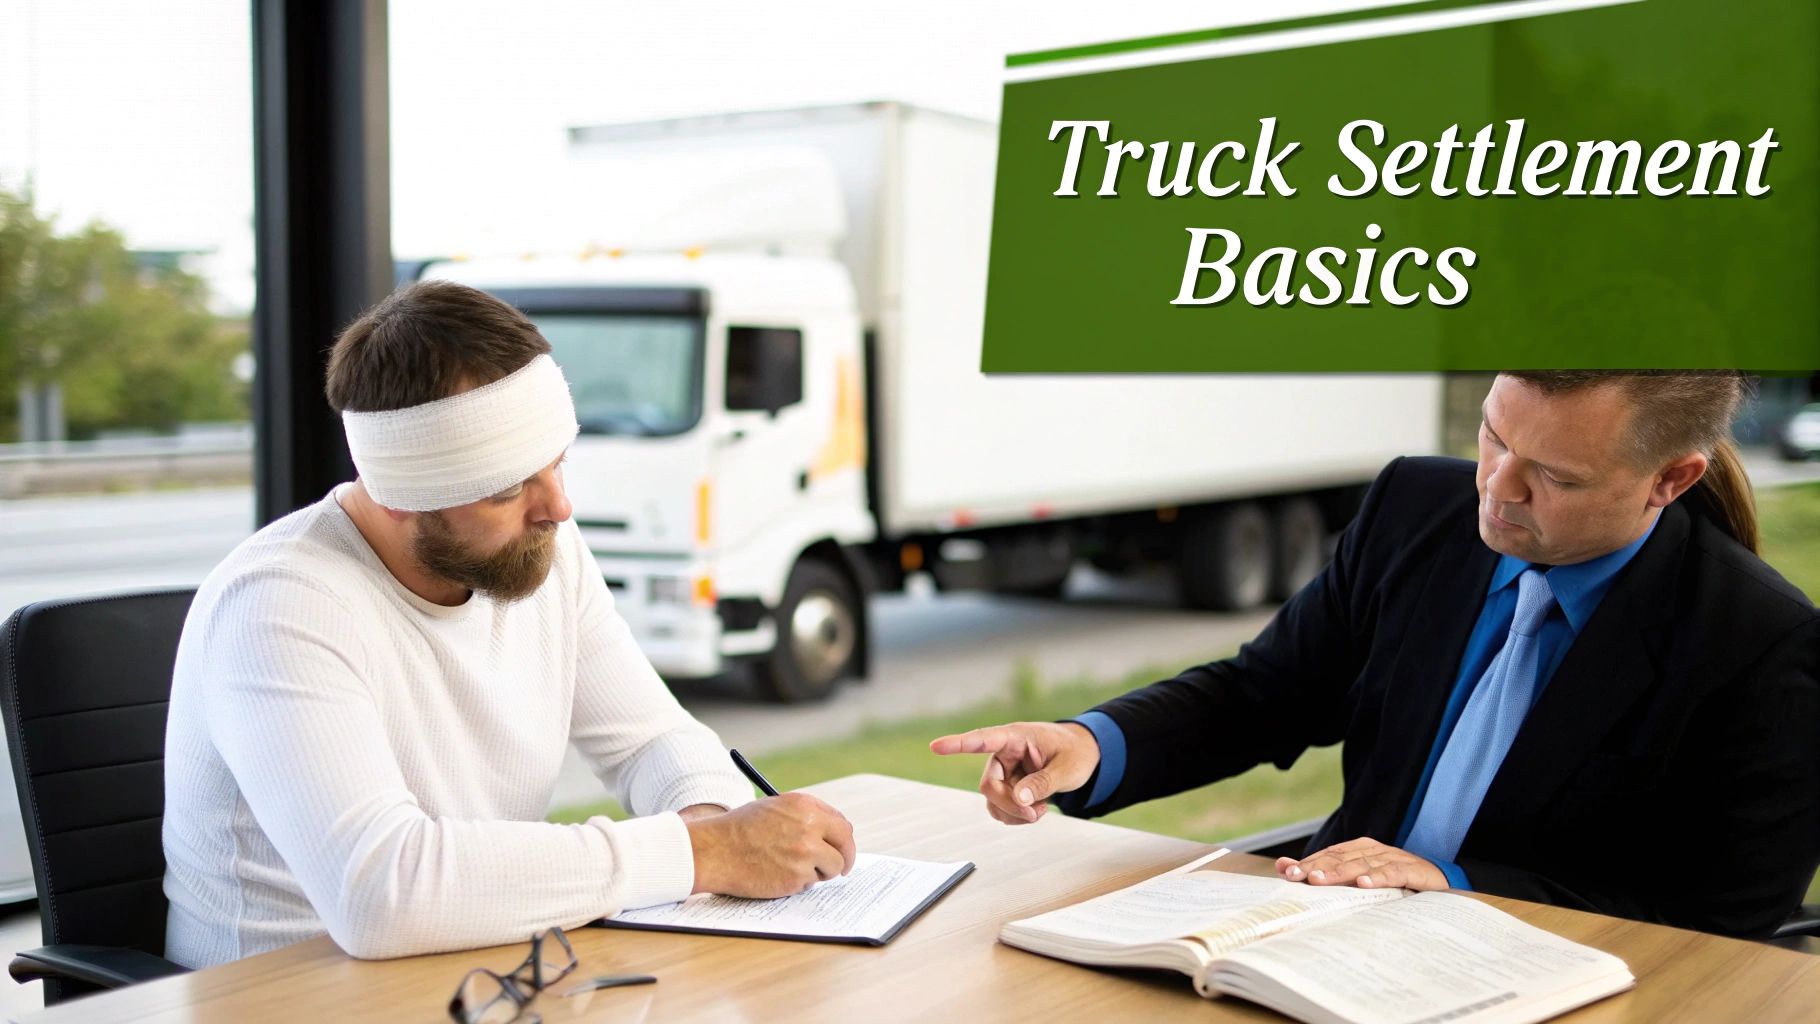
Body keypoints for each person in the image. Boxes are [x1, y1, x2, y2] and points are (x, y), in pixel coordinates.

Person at [934, 371, 1819, 939]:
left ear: (1672, 480)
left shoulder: (1763, 649)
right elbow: (1265, 693)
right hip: (1323, 941)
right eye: (1494, 437)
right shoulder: (1414, 510)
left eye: (1555, 476)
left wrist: (1457, 883)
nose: (1496, 490)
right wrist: (1093, 745)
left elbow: (1716, 925)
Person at [163, 280, 856, 968]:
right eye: (507, 488)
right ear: (402, 493)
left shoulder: (540, 549)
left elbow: (650, 740)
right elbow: (380, 892)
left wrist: (713, 817)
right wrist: (701, 853)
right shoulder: (278, 605)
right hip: (285, 996)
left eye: (557, 461)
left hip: (475, 968)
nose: (558, 507)